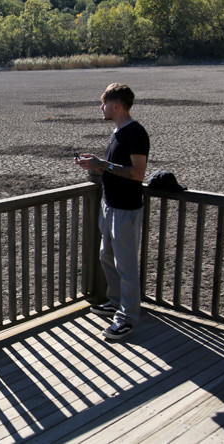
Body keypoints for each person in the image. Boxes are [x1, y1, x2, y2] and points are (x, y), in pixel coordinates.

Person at [75, 83, 149, 340]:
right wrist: (95, 166)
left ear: (116, 105)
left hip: (126, 209)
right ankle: (115, 300)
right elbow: (115, 167)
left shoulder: (136, 133)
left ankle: (127, 318)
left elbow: (138, 174)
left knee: (126, 265)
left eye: (104, 103)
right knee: (106, 255)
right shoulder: (117, 131)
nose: (101, 107)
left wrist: (103, 164)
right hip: (109, 205)